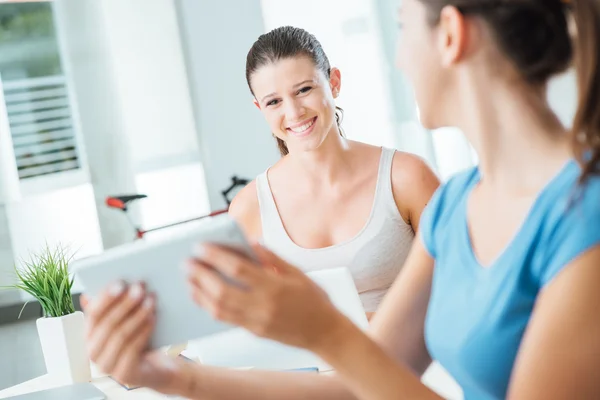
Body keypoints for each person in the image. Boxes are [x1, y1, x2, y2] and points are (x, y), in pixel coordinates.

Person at [83, 0, 600, 399]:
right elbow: (361, 381)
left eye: (400, 26)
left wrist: (322, 328)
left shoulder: (585, 219)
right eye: (273, 101)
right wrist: (172, 377)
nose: (397, 57)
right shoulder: (456, 208)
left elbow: (356, 364)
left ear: (450, 36)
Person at [228, 26, 439, 318]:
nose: (294, 112)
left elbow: (460, 287)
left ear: (333, 82)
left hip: (409, 360)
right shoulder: (249, 209)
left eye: (304, 90)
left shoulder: (407, 177)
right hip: (306, 364)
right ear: (259, 108)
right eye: (274, 101)